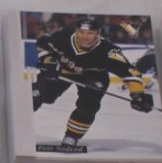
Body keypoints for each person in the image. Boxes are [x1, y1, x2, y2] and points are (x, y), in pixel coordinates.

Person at [32, 17, 154, 149]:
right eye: (81, 32)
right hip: (63, 72)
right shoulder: (64, 36)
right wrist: (49, 62)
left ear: (98, 33)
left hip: (93, 76)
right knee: (35, 95)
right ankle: (17, 128)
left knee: (90, 103)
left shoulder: (109, 51)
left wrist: (138, 94)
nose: (85, 36)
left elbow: (130, 72)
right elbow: (43, 44)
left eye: (90, 33)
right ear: (76, 31)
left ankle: (72, 137)